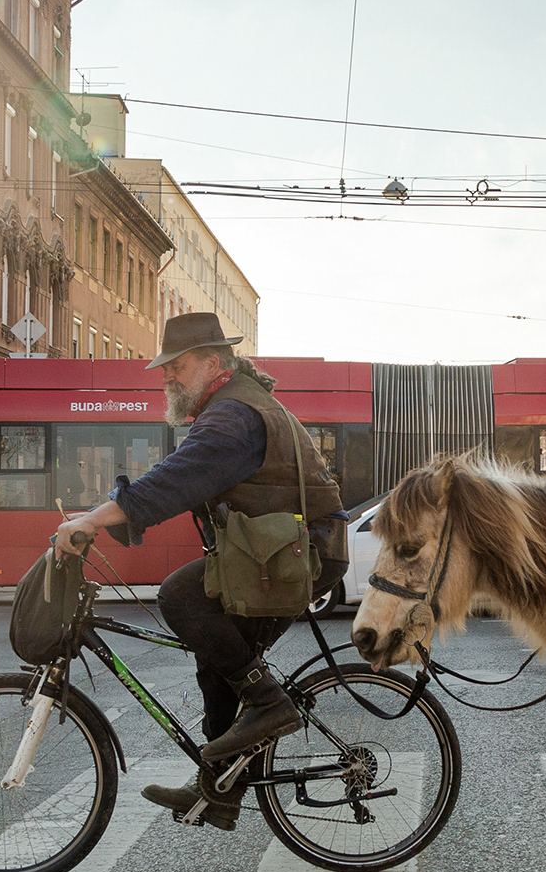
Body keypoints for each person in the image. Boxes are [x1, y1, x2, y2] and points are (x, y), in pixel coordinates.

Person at [53, 313, 348, 831]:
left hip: (302, 555)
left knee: (182, 596)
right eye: (165, 368)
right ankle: (219, 789)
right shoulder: (232, 403)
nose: (167, 377)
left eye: (177, 366)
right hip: (283, 552)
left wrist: (94, 518)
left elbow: (173, 481)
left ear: (213, 363)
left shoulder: (233, 416)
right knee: (218, 659)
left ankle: (269, 704)